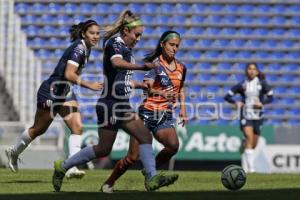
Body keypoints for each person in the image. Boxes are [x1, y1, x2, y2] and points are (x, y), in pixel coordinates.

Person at [52, 10, 178, 192]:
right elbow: (116, 63)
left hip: (119, 103)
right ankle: (151, 177)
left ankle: (62, 167)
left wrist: (145, 87)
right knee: (133, 139)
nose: (138, 39)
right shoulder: (115, 44)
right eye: (137, 34)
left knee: (108, 147)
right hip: (111, 104)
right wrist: (142, 66)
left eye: (141, 35)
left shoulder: (127, 50)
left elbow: (123, 79)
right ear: (126, 30)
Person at [5, 20, 103, 179]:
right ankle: (13, 152)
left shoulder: (86, 48)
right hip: (51, 91)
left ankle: (71, 167)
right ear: (84, 34)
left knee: (77, 127)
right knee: (38, 129)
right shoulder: (79, 48)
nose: (96, 36)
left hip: (65, 92)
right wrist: (89, 84)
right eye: (92, 33)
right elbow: (69, 74)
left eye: (98, 33)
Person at [101, 30, 187, 193]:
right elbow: (146, 89)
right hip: (147, 114)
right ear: (162, 44)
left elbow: (181, 89)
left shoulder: (182, 67)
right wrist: (162, 93)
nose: (174, 48)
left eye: (177, 46)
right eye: (171, 45)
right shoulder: (154, 65)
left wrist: (183, 109)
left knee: (173, 146)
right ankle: (109, 183)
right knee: (132, 158)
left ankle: (150, 171)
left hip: (165, 114)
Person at [224, 63, 273, 173]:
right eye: (249, 69)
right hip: (245, 113)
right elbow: (227, 96)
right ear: (246, 71)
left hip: (258, 115)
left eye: (253, 69)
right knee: (249, 137)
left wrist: (262, 103)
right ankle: (251, 169)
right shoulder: (242, 84)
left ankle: (244, 145)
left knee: (254, 144)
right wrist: (236, 102)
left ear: (257, 71)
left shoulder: (262, 84)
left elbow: (271, 97)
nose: (251, 71)